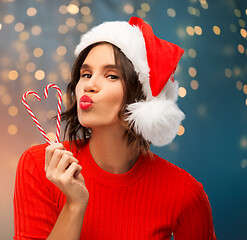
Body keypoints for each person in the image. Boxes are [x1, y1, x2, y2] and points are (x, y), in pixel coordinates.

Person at [14, 17, 217, 240]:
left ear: (142, 97)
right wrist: (75, 204)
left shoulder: (185, 192)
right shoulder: (38, 166)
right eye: (86, 74)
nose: (89, 85)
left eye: (111, 76)